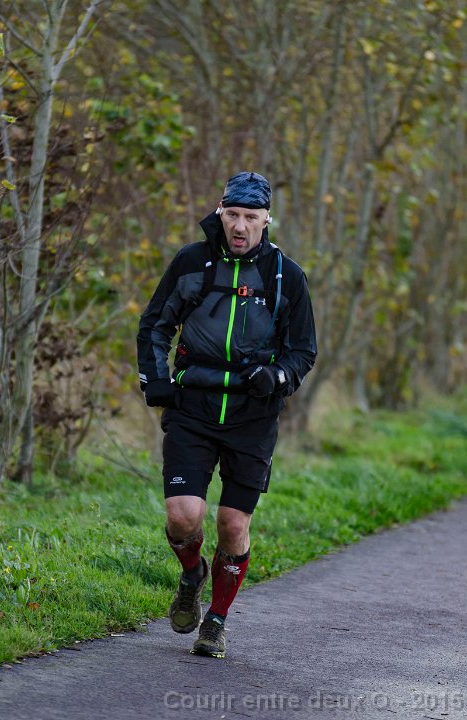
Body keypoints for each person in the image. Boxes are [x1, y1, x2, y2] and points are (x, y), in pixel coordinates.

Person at [137, 171, 317, 659]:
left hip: (252, 415)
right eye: (232, 214)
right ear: (220, 212)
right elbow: (155, 325)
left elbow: (303, 351)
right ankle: (191, 573)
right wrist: (155, 379)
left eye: (251, 217)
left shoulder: (286, 276)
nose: (240, 226)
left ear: (266, 220)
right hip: (193, 407)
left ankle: (215, 621)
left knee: (233, 525)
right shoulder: (191, 262)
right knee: (183, 516)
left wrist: (277, 377)